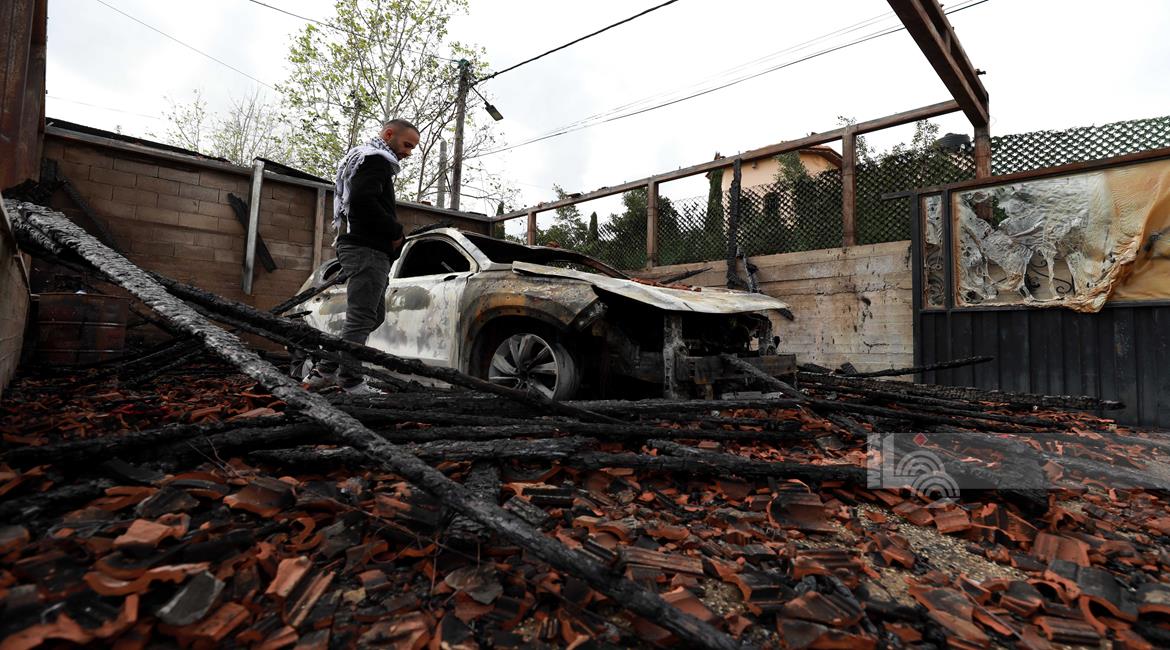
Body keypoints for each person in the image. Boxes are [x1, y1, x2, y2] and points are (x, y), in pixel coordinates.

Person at [305, 119, 420, 394]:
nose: (408, 153)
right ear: (389, 134)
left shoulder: (370, 160)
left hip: (367, 250)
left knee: (371, 316)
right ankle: (350, 380)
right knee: (361, 317)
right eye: (407, 145)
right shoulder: (375, 159)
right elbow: (361, 201)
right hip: (366, 249)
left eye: (412, 148)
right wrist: (395, 230)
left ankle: (325, 370)